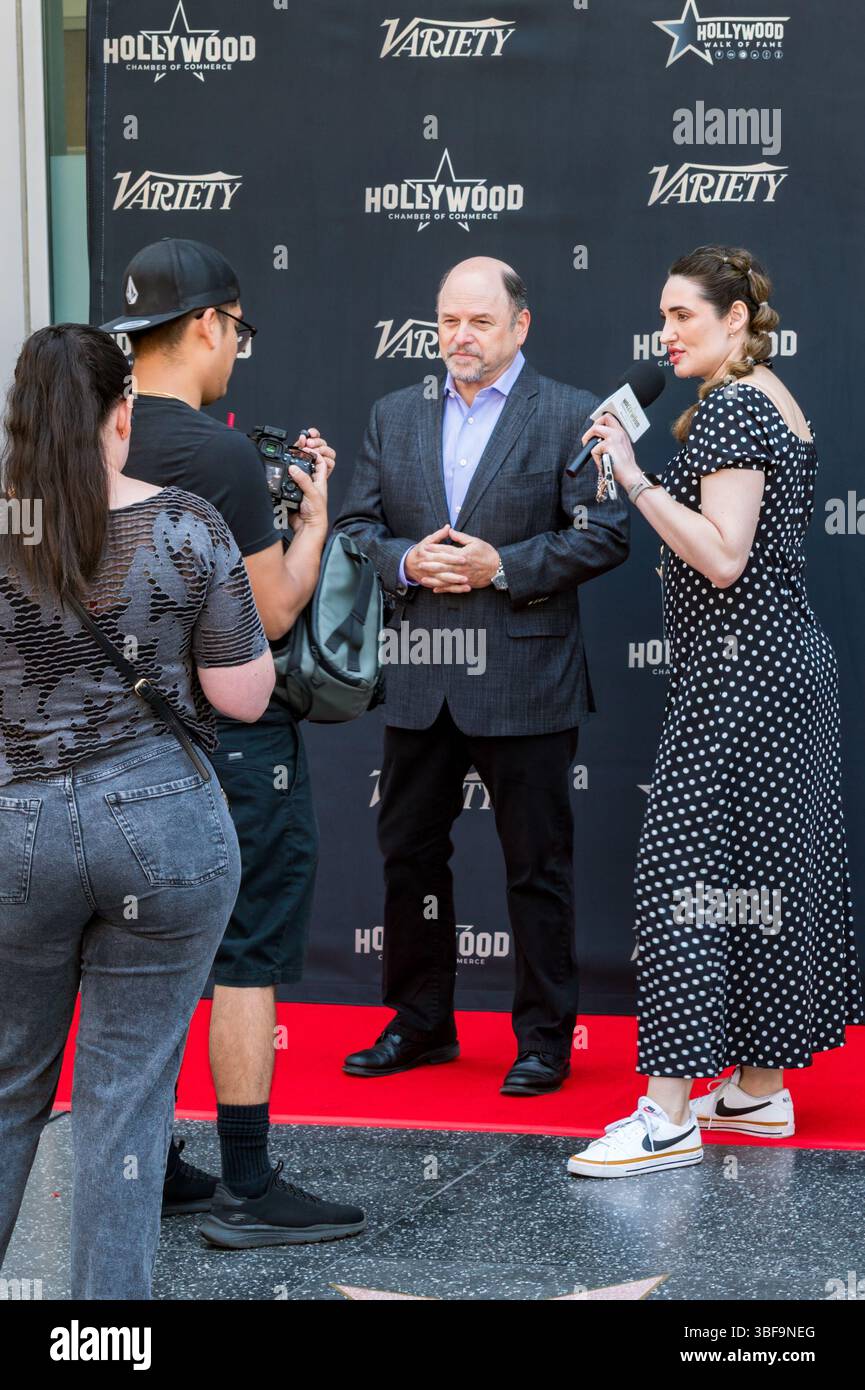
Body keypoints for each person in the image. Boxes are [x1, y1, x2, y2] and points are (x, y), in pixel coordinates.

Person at [567, 245, 864, 1178]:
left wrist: (633, 469)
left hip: (746, 679)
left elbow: (724, 556)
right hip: (776, 672)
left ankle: (665, 1119)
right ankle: (756, 1093)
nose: (666, 334)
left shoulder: (735, 406)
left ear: (734, 318)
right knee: (763, 880)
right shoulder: (768, 393)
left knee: (680, 883)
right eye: (662, 317)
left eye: (683, 316)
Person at [0, 323, 275, 1297]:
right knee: (125, 1101)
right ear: (122, 415)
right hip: (161, 831)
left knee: (5, 1090)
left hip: (14, 831)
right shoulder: (185, 524)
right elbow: (243, 697)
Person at [101, 237, 365, 1247]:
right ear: (207, 324)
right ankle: (249, 1187)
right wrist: (313, 521)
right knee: (243, 957)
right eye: (236, 331)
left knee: (146, 960)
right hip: (232, 744)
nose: (236, 352)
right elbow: (274, 611)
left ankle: (151, 1169)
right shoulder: (214, 454)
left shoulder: (92, 438)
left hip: (115, 750)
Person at [334, 256, 629, 1096]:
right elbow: (355, 529)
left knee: (537, 868)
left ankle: (542, 1040)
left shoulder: (572, 415)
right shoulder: (395, 415)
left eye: (480, 323)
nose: (460, 338)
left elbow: (605, 533)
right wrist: (403, 560)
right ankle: (421, 1022)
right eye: (448, 322)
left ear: (519, 327)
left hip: (526, 683)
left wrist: (502, 564)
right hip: (421, 682)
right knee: (407, 859)